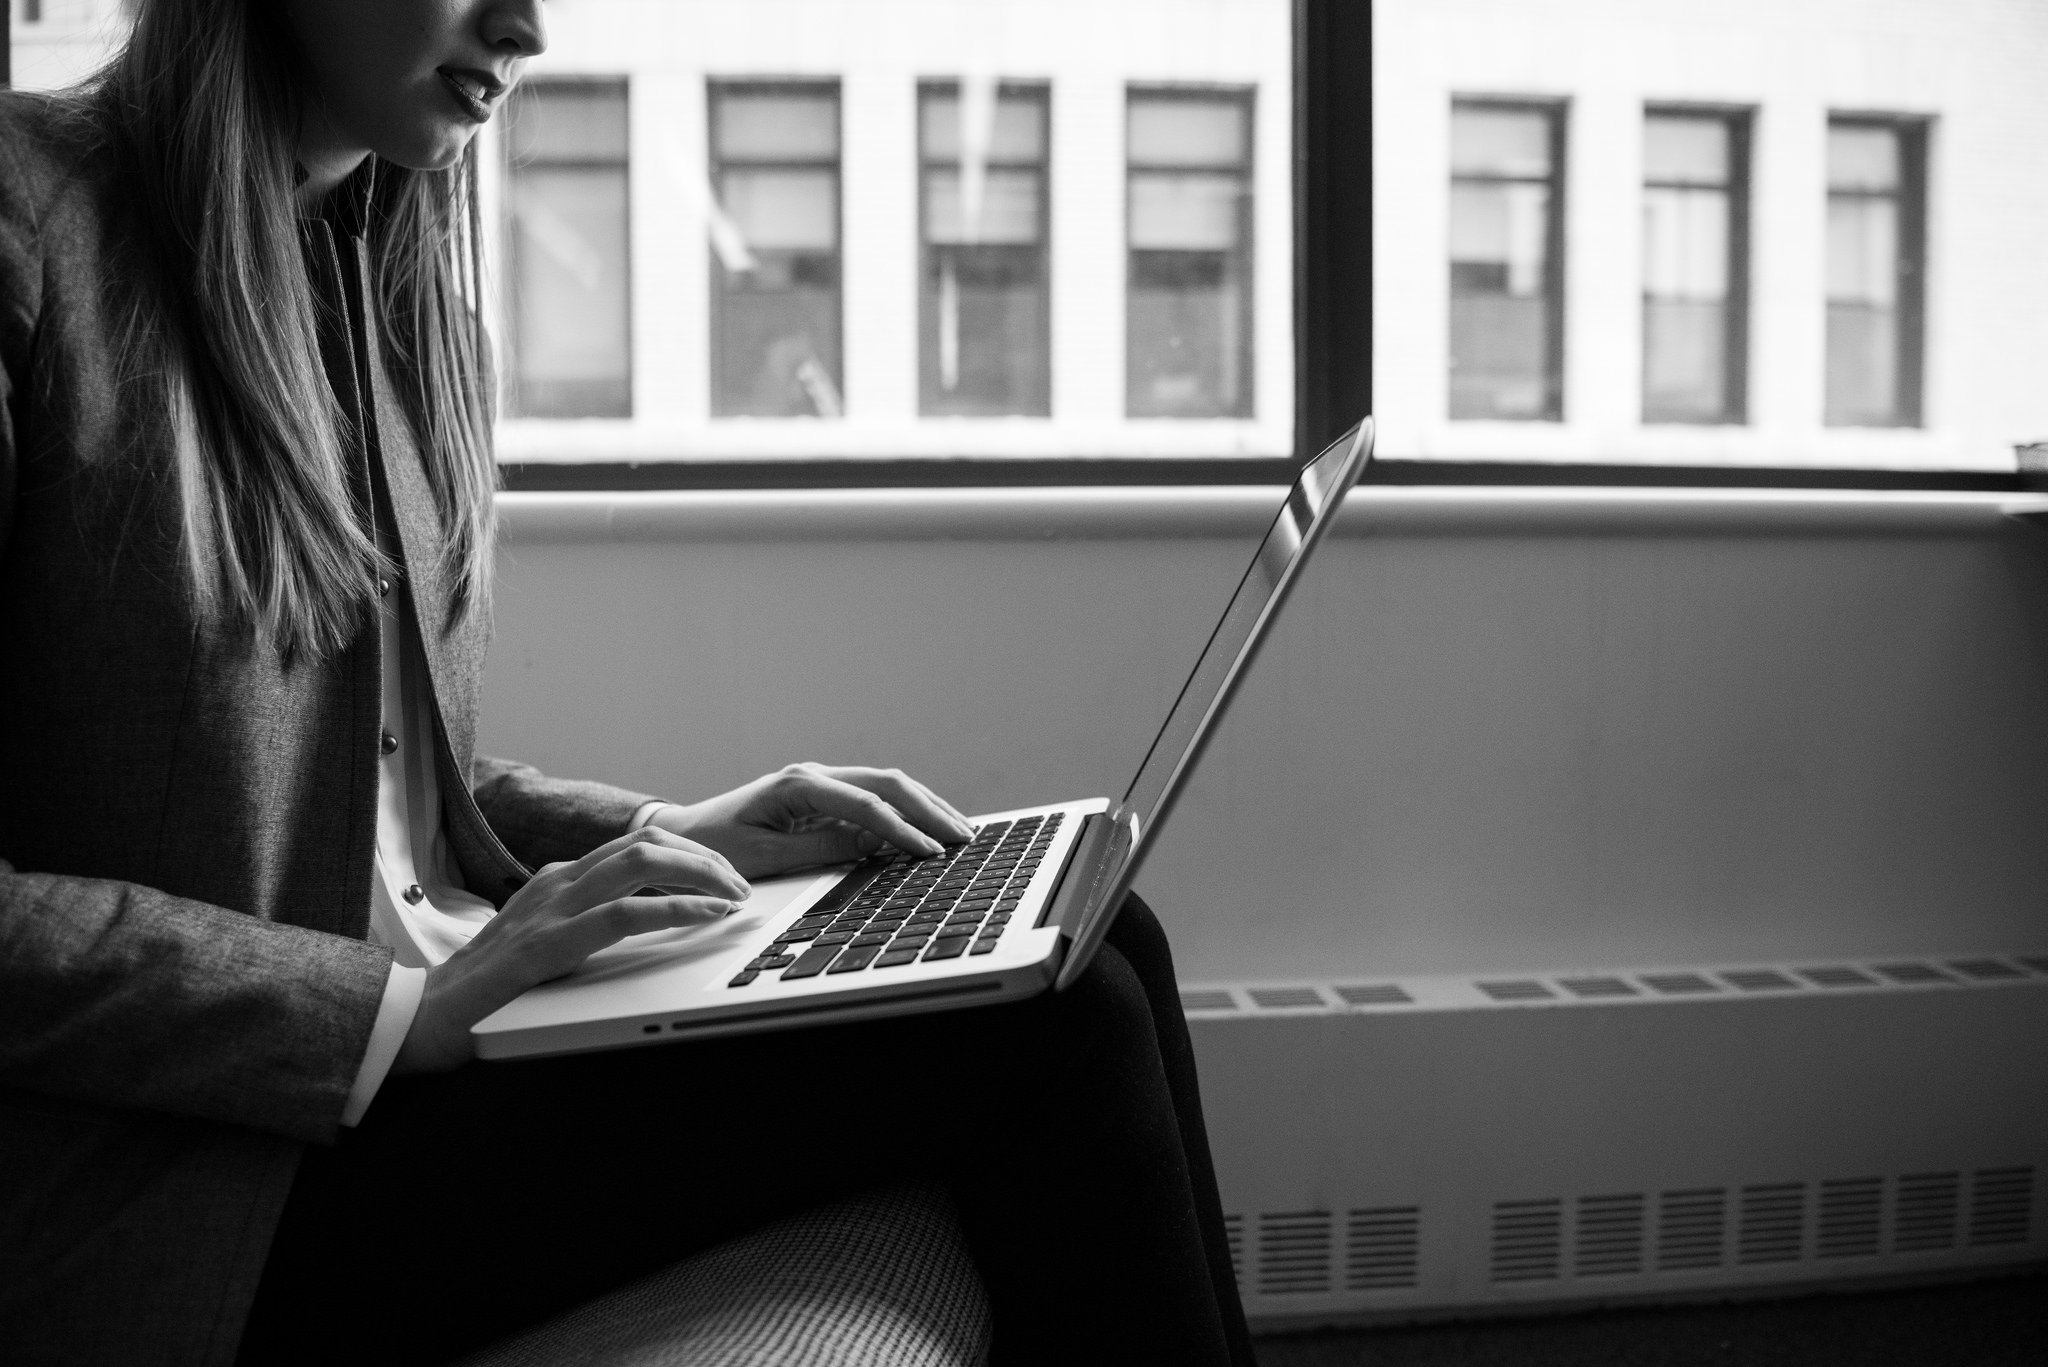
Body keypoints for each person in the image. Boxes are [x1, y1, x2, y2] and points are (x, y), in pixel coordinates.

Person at [0, 1, 1255, 1363]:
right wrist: (393, 1012)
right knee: (1051, 1038)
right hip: (197, 1170)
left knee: (1095, 936)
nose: (527, 25)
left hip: (409, 1066)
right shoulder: (32, 229)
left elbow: (345, 778)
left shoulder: (378, 277)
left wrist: (667, 834)